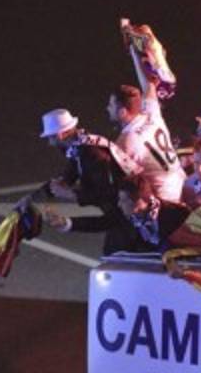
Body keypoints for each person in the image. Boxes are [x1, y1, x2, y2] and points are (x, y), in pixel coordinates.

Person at [33, 108, 143, 254]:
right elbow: (68, 175)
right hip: (124, 210)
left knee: (115, 255)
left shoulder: (92, 155)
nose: (50, 143)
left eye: (51, 138)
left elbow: (106, 194)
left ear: (61, 135)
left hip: (131, 214)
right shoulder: (82, 145)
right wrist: (34, 197)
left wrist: (72, 195)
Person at [45, 175, 190, 254]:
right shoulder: (125, 215)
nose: (119, 205)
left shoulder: (177, 214)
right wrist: (66, 223)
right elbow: (100, 223)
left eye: (123, 201)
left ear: (139, 201)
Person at [107, 82, 185, 203]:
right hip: (182, 186)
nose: (107, 108)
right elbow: (150, 85)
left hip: (164, 200)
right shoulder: (152, 114)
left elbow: (123, 182)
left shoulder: (124, 142)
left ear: (122, 112)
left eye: (111, 105)